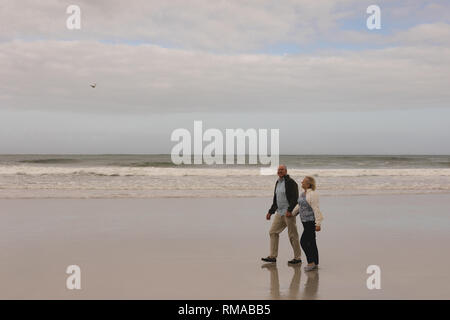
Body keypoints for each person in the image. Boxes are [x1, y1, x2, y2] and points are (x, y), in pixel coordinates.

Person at [261, 165, 302, 264]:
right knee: (273, 232)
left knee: (292, 235)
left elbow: (295, 198)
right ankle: (273, 256)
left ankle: (297, 258)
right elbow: (276, 199)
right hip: (279, 213)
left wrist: (290, 210)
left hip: (288, 213)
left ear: (286, 171)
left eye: (282, 170)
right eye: (279, 170)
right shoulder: (277, 182)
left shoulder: (291, 182)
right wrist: (270, 212)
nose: (280, 171)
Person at [293, 176, 324, 271]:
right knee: (312, 242)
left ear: (308, 184)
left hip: (311, 222)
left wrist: (318, 223)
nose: (301, 182)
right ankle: (315, 262)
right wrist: (293, 213)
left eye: (304, 181)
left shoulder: (313, 194)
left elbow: (316, 209)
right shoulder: (303, 194)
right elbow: (300, 205)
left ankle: (310, 262)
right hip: (304, 221)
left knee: (304, 242)